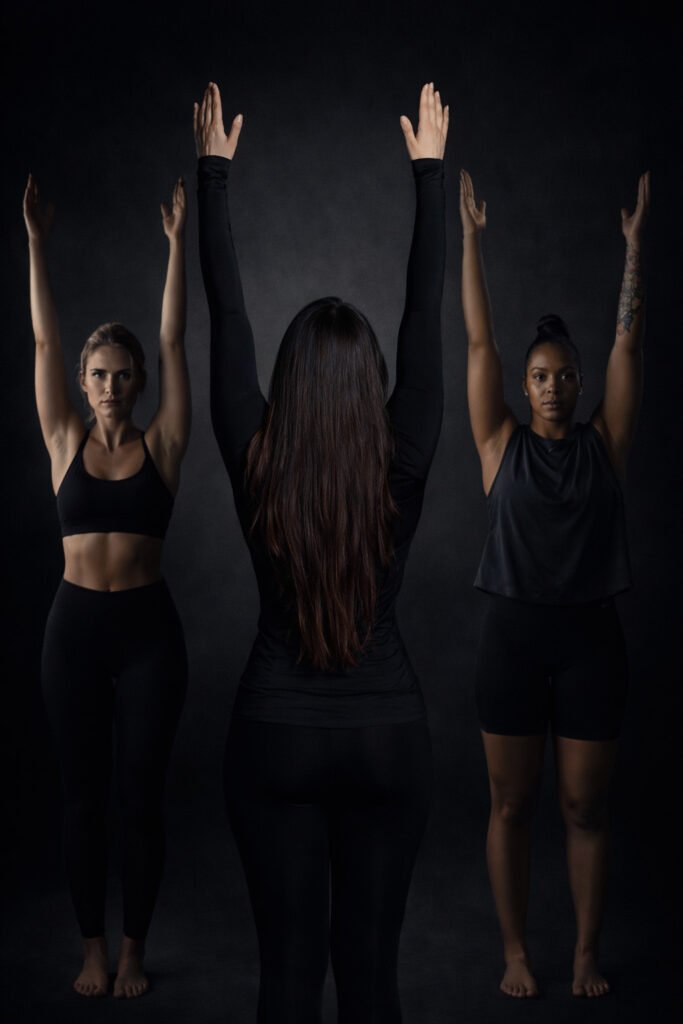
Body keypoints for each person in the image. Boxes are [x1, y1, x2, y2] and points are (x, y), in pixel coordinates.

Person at [194, 80, 447, 1020]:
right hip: (388, 741)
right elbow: (428, 321)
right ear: (372, 386)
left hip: (274, 741)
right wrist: (429, 172)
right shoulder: (406, 455)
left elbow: (226, 320)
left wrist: (212, 173)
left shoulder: (254, 452)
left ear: (288, 383)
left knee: (288, 980)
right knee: (371, 980)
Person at [459, 166, 649, 998]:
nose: (550, 386)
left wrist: (634, 251)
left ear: (577, 384)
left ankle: (581, 955)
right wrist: (469, 238)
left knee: (582, 809)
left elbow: (626, 344)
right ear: (524, 386)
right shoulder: (498, 445)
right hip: (510, 638)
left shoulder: (605, 445)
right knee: (510, 806)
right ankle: (513, 952)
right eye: (538, 375)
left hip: (588, 643)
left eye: (562, 375)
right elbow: (476, 343)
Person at [23, 173, 191, 998]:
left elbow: (173, 344)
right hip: (75, 633)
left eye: (123, 375)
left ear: (138, 385)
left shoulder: (164, 446)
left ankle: (132, 951)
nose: (111, 385)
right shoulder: (61, 442)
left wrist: (173, 249)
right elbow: (45, 346)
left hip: (150, 632)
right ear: (84, 385)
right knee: (81, 798)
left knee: (141, 799)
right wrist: (34, 246)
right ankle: (90, 948)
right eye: (99, 374)